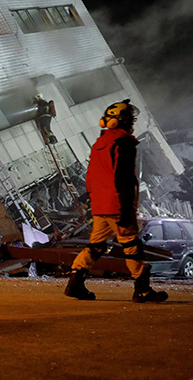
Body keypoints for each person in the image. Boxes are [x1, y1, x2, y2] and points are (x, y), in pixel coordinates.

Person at [65, 99, 168, 303]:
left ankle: (75, 283)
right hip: (117, 204)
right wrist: (124, 206)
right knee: (132, 244)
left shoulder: (99, 143)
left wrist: (94, 199)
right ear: (120, 122)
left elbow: (91, 177)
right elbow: (123, 178)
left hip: (101, 204)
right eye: (130, 120)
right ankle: (142, 290)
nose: (132, 124)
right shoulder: (125, 142)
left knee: (97, 245)